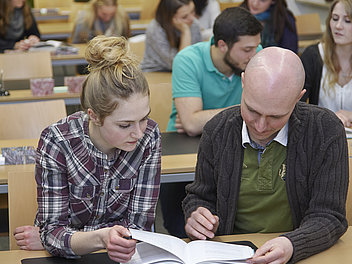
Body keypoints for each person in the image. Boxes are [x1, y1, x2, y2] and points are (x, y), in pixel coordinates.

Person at [183, 47, 348, 264]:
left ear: (299, 98)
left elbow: (329, 215)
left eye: (275, 116)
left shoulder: (324, 131)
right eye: (252, 110)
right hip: (230, 253)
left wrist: (291, 244)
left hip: (300, 253)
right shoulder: (218, 129)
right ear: (243, 83)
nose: (260, 126)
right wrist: (197, 214)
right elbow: (200, 196)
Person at [13, 36, 161, 263]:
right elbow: (53, 233)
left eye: (144, 118)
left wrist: (65, 239)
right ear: (94, 116)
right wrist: (101, 238)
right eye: (124, 125)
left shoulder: (149, 135)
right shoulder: (58, 140)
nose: (139, 133)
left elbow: (140, 228)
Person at [161, 7, 263, 239]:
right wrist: (248, 109)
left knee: (235, 227)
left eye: (256, 47)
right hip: (182, 151)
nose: (255, 56)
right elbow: (190, 124)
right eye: (247, 49)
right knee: (181, 230)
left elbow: (196, 120)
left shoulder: (255, 57)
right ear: (222, 45)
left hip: (235, 150)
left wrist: (202, 116)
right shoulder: (188, 59)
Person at [300, 0, 352, 128]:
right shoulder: (313, 55)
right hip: (320, 135)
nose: (338, 26)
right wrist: (329, 117)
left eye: (347, 21)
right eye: (335, 19)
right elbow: (296, 107)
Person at [141, 0, 202, 72]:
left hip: (184, 72)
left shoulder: (194, 24)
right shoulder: (155, 29)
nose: (192, 18)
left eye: (193, 11)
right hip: (155, 72)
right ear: (169, 18)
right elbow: (181, 64)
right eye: (184, 17)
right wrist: (186, 32)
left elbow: (197, 58)